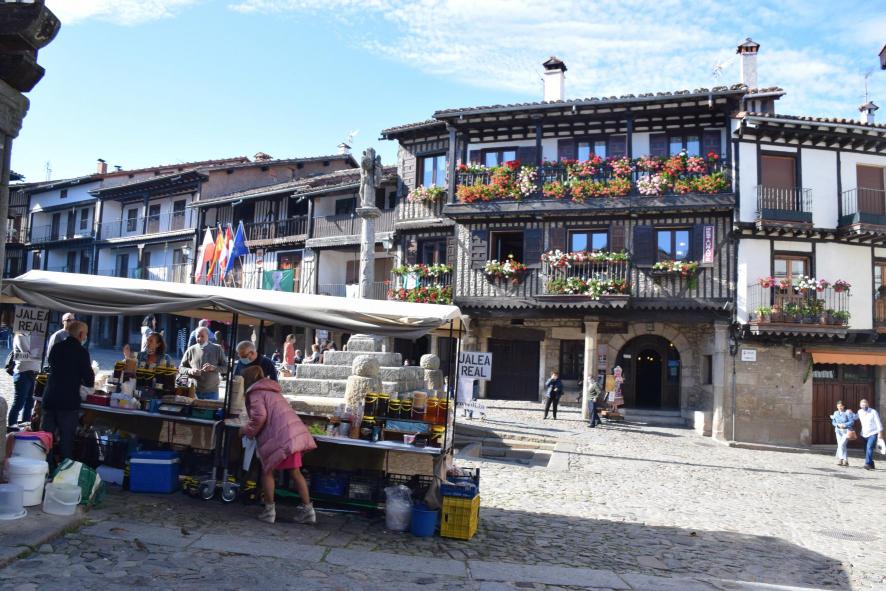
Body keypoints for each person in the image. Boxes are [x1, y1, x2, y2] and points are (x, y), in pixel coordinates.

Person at [239, 366, 317, 525]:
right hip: (291, 435)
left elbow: (259, 417)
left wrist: (245, 430)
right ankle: (309, 511)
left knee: (267, 472)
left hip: (278, 438)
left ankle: (269, 512)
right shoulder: (272, 391)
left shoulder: (256, 393)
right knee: (296, 473)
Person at [41, 320, 94, 460]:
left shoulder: (56, 347)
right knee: (66, 441)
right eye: (85, 334)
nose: (85, 337)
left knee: (46, 440)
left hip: (50, 397)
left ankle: (45, 467)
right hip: (68, 401)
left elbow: (51, 364)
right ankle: (64, 470)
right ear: (81, 334)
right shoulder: (81, 352)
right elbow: (89, 380)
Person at [180, 327, 228, 400]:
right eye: (198, 336)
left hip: (212, 392)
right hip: (194, 391)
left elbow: (226, 368)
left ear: (207, 336)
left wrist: (213, 368)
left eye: (202, 336)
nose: (199, 338)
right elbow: (181, 368)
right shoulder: (191, 350)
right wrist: (190, 371)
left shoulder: (217, 349)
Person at [8, 329, 40, 425]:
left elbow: (40, 353)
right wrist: (37, 352)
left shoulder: (34, 335)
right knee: (19, 403)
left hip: (33, 372)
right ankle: (12, 426)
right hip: (23, 372)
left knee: (30, 403)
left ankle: (25, 424)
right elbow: (30, 353)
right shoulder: (20, 336)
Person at [857, 398, 884, 470]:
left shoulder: (873, 412)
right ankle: (871, 463)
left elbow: (878, 422)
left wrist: (880, 433)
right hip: (864, 434)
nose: (864, 406)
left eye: (865, 404)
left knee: (869, 447)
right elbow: (855, 417)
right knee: (866, 450)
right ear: (860, 405)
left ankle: (867, 464)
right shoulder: (859, 412)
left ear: (868, 404)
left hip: (873, 433)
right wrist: (848, 413)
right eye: (862, 404)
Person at [830, 401, 857, 466]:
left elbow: (852, 422)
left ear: (843, 406)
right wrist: (837, 425)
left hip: (846, 431)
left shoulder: (847, 412)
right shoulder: (835, 413)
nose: (839, 407)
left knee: (841, 444)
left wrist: (844, 424)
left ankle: (840, 459)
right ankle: (845, 460)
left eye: (841, 406)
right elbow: (833, 422)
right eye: (838, 406)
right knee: (842, 445)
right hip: (838, 431)